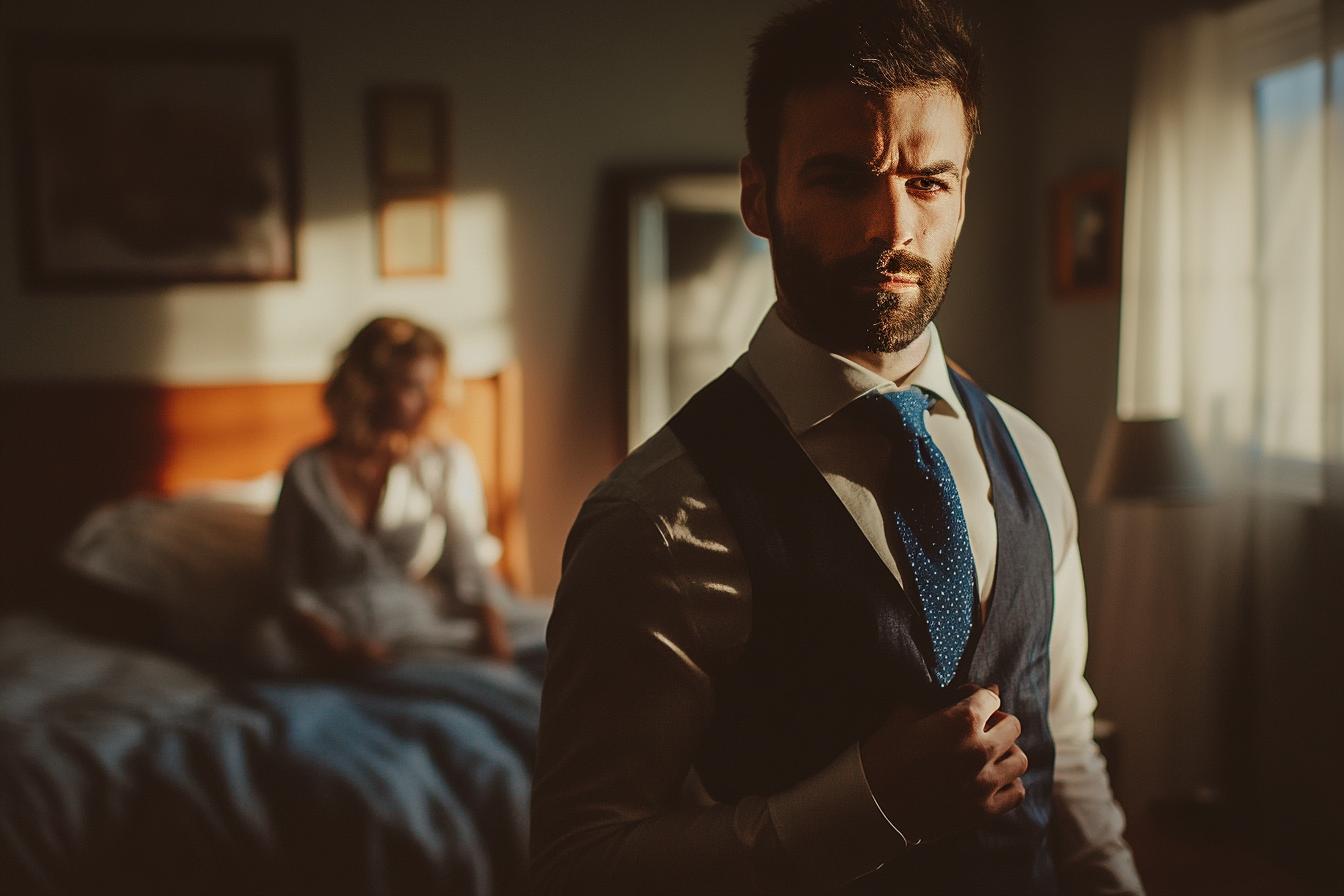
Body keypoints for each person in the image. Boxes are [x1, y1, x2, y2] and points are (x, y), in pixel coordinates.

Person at [531, 1, 1143, 893]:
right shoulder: (656, 520)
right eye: (842, 179)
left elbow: (1065, 739)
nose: (892, 227)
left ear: (964, 190)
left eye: (928, 181)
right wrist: (867, 804)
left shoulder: (1033, 457)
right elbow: (576, 865)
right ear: (757, 195)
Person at [263, 316, 548, 674]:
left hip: (418, 625)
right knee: (267, 646)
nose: (428, 402)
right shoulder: (306, 471)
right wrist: (337, 648)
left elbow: (468, 570)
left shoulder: (444, 462)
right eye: (412, 386)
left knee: (555, 626)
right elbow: (286, 586)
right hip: (329, 632)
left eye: (431, 386)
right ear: (368, 388)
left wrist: (495, 642)